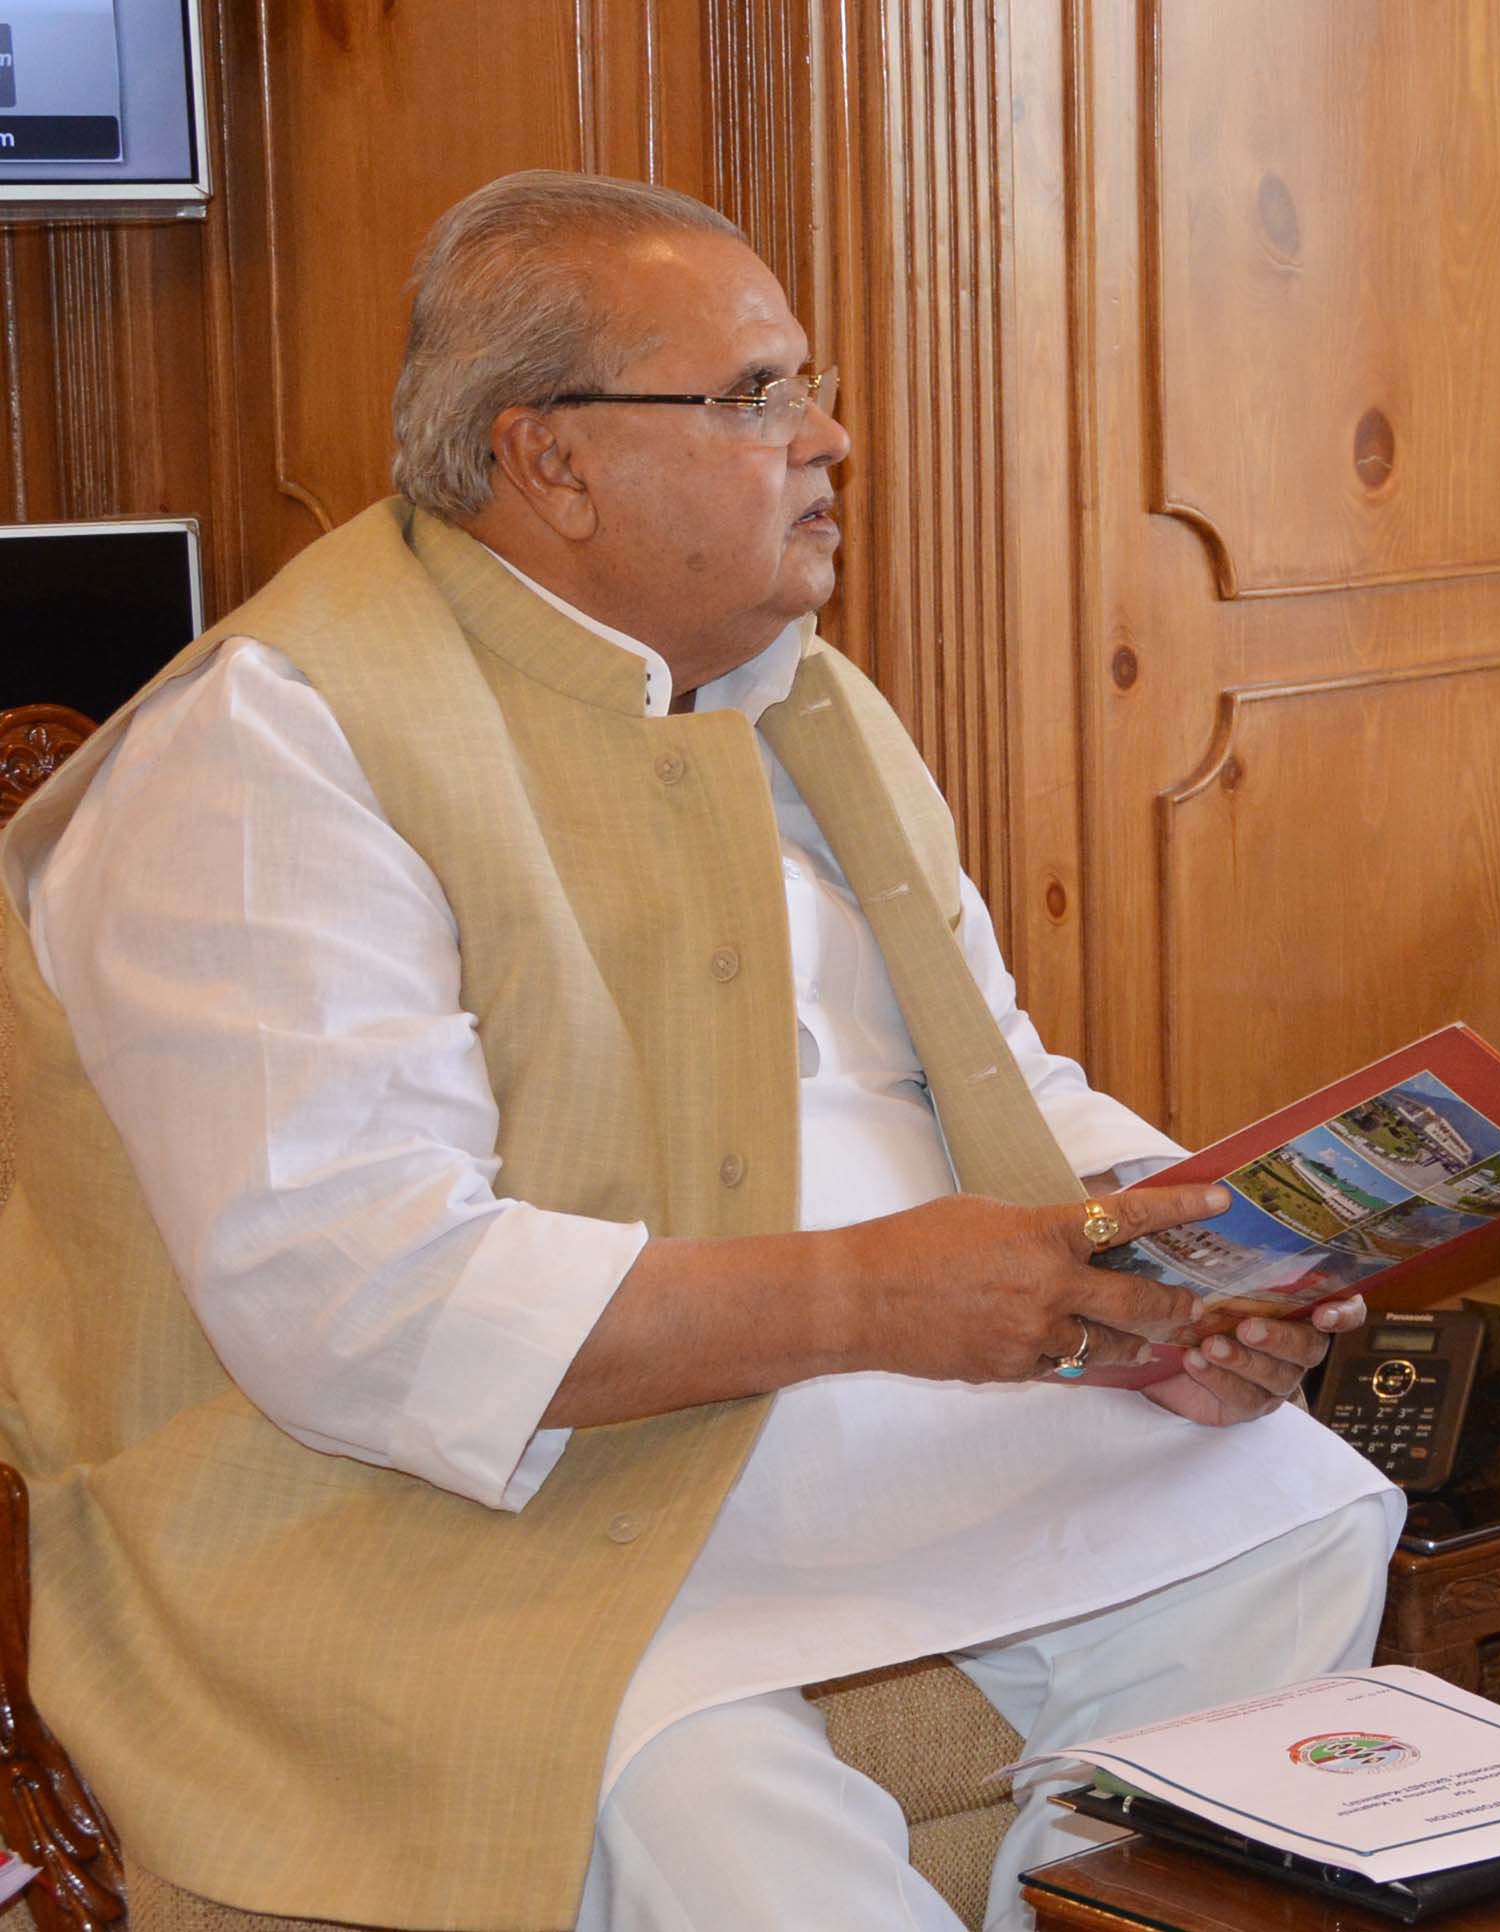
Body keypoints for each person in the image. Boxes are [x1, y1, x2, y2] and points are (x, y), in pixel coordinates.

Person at [0, 171, 1404, 1931]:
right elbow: (355, 1305)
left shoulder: (797, 694)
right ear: (551, 460)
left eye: (806, 383)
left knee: (1292, 1513)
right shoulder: (273, 747)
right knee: (693, 1775)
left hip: (829, 1407)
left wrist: (1172, 1254)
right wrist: (870, 1301)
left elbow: (985, 1080)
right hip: (436, 1487)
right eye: (752, 396)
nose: (828, 437)